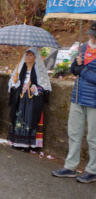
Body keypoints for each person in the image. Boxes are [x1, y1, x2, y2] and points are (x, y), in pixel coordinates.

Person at [52, 21, 96, 183]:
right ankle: (70, 166)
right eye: (91, 34)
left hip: (94, 100)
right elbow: (73, 69)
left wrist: (82, 70)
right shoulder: (83, 47)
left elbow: (85, 73)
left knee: (93, 137)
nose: (93, 38)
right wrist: (75, 66)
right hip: (78, 96)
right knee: (74, 133)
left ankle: (93, 170)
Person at [8, 47, 51, 149]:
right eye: (27, 55)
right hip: (21, 98)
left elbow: (44, 86)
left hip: (32, 100)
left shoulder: (39, 70)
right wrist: (15, 82)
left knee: (29, 119)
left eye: (30, 55)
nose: (27, 57)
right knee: (19, 119)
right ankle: (16, 141)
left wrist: (36, 88)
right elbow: (13, 84)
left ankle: (27, 144)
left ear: (35, 58)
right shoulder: (20, 68)